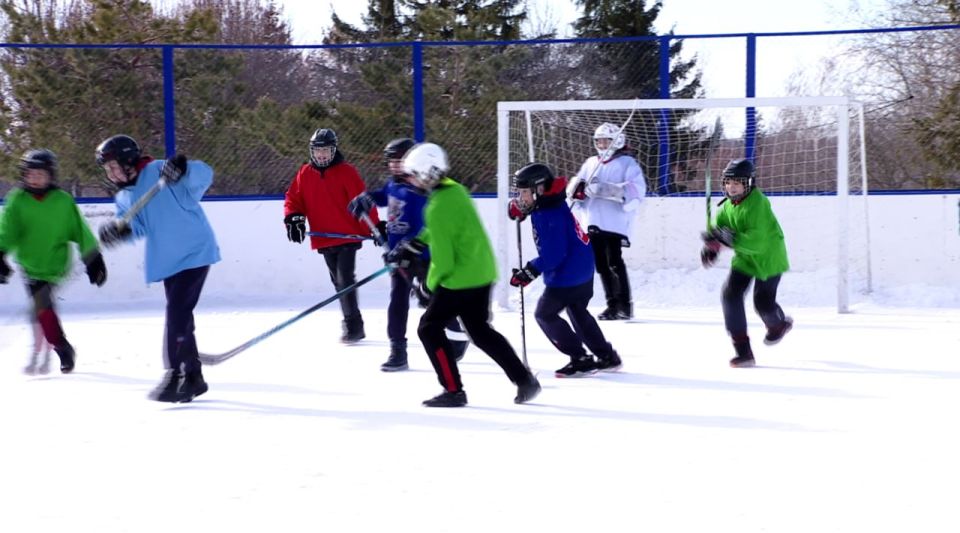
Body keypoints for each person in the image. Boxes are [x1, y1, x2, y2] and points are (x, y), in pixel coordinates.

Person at [386, 142, 540, 407]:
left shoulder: (436, 207)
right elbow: (442, 228)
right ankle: (524, 380)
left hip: (460, 279)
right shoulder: (454, 190)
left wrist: (427, 286)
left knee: (428, 328)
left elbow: (443, 261)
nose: (409, 180)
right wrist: (416, 244)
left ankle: (453, 390)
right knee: (479, 331)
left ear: (426, 174)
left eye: (413, 175)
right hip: (481, 272)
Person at [96, 134, 220, 401]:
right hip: (168, 261)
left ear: (129, 160)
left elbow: (204, 175)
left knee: (177, 313)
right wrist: (120, 231)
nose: (111, 174)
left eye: (114, 166)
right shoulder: (124, 196)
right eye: (107, 170)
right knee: (181, 317)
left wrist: (184, 168)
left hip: (194, 252)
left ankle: (175, 375)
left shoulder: (160, 171)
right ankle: (194, 377)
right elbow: (136, 227)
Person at [348, 138, 470, 371]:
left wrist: (409, 248)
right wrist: (368, 198)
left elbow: (430, 226)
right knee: (398, 300)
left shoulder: (421, 190)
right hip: (398, 257)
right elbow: (384, 195)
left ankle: (457, 335)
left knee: (432, 300)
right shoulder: (393, 185)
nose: (395, 165)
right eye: (391, 161)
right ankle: (398, 350)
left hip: (423, 257)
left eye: (399, 160)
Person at [508, 162, 623, 377]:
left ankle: (580, 358)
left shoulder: (548, 215)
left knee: (545, 314)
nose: (521, 198)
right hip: (582, 267)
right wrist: (523, 210)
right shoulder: (549, 204)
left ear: (539, 189)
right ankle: (607, 356)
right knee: (578, 312)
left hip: (568, 274)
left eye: (524, 193)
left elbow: (554, 256)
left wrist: (529, 272)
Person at [0, 149, 107, 374]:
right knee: (43, 308)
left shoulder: (62, 201)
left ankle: (59, 347)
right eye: (30, 174)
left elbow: (80, 231)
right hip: (30, 265)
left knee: (42, 306)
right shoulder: (17, 200)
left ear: (51, 175)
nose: (35, 179)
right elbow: (7, 230)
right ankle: (61, 347)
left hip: (56, 264)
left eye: (40, 174)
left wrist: (93, 258)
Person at [284, 128, 379, 344]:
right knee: (338, 282)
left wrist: (374, 227)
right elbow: (293, 199)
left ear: (333, 150)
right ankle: (352, 321)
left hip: (347, 236)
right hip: (324, 237)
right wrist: (294, 218)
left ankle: (354, 326)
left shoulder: (346, 172)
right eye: (318, 151)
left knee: (345, 279)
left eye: (325, 150)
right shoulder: (305, 173)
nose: (321, 155)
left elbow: (362, 200)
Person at [701, 158, 793, 368]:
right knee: (730, 295)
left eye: (737, 183)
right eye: (727, 182)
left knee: (763, 304)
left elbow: (757, 242)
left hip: (768, 259)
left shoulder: (758, 204)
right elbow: (721, 229)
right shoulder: (727, 206)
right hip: (744, 259)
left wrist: (729, 239)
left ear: (749, 183)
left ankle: (778, 325)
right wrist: (712, 246)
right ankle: (743, 352)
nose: (731, 187)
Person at [567, 122, 646, 320]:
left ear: (617, 141)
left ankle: (624, 306)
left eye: (606, 141)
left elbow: (636, 190)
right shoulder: (590, 163)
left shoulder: (627, 163)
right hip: (593, 220)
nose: (602, 145)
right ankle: (612, 305)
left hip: (614, 223)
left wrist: (606, 190)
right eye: (599, 141)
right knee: (601, 265)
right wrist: (576, 190)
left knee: (614, 262)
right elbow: (577, 185)